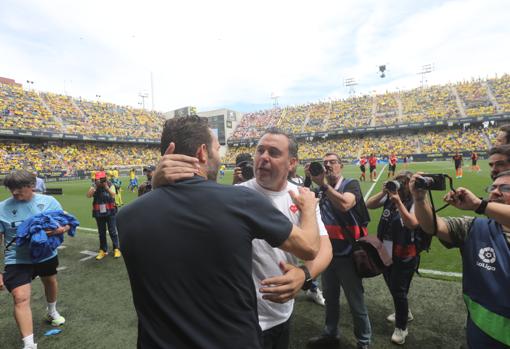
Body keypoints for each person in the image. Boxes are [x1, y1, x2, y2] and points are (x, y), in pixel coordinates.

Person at [117, 116, 322, 349]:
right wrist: (309, 208)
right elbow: (310, 247)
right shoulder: (241, 201)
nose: (220, 156)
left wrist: (156, 187)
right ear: (203, 153)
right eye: (217, 148)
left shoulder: (126, 218)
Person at [410, 171, 510, 348]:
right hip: (480, 334)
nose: (495, 192)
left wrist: (480, 205)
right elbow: (433, 226)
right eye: (492, 187)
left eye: (506, 188)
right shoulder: (473, 227)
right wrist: (419, 199)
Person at [307, 153, 372, 349]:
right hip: (327, 255)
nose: (328, 165)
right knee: (331, 299)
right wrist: (309, 180)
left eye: (332, 162)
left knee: (355, 302)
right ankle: (330, 334)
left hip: (348, 255)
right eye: (325, 163)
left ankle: (364, 342)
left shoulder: (350, 185)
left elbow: (345, 204)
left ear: (340, 166)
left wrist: (324, 185)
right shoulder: (320, 190)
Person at [0, 170, 69, 349]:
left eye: (19, 188)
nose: (14, 192)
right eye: (11, 188)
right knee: (20, 297)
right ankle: (29, 345)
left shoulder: (49, 202)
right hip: (17, 259)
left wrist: (60, 230)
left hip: (46, 255)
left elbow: (66, 222)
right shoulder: (2, 208)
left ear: (32, 185)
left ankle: (52, 312)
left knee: (50, 282)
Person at [366, 171, 419, 345]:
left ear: (408, 186)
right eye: (394, 182)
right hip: (385, 250)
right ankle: (405, 312)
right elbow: (369, 204)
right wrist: (383, 192)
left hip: (404, 253)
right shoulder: (389, 197)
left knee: (398, 289)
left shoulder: (413, 202)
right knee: (393, 285)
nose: (396, 186)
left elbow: (412, 223)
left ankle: (401, 327)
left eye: (400, 183)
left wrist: (398, 202)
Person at [288, 157, 325, 307]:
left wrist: (309, 177)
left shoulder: (301, 179)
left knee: (311, 255)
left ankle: (313, 288)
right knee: (289, 260)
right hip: (289, 222)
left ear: (295, 162)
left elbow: (306, 191)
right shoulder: (281, 181)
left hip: (304, 221)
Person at [86, 171, 121, 260]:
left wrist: (106, 187)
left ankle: (116, 248)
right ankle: (103, 250)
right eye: (98, 179)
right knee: (101, 232)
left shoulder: (110, 184)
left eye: (102, 179)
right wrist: (94, 188)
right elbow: (88, 196)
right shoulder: (94, 185)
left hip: (110, 210)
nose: (101, 181)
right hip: (98, 211)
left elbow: (113, 195)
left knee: (112, 231)